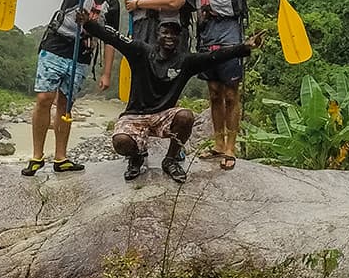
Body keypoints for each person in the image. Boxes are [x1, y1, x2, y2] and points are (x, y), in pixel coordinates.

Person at [76, 11, 263, 183]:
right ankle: (136, 157)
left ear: (179, 38)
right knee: (121, 141)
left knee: (186, 116)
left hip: (163, 116)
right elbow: (115, 38)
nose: (169, 37)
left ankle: (170, 160)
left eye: (174, 33)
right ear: (157, 34)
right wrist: (89, 25)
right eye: (165, 32)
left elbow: (215, 56)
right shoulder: (140, 51)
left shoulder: (185, 61)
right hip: (136, 115)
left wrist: (243, 47)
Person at [9, 0, 120, 176]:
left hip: (80, 56)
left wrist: (107, 73)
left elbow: (110, 40)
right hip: (56, 47)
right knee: (44, 100)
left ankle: (61, 158)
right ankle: (37, 156)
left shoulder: (113, 4)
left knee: (65, 105)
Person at [195, 0, 280, 170]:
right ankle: (218, 144)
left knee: (231, 95)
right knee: (213, 93)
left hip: (231, 38)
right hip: (207, 40)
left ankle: (231, 147)